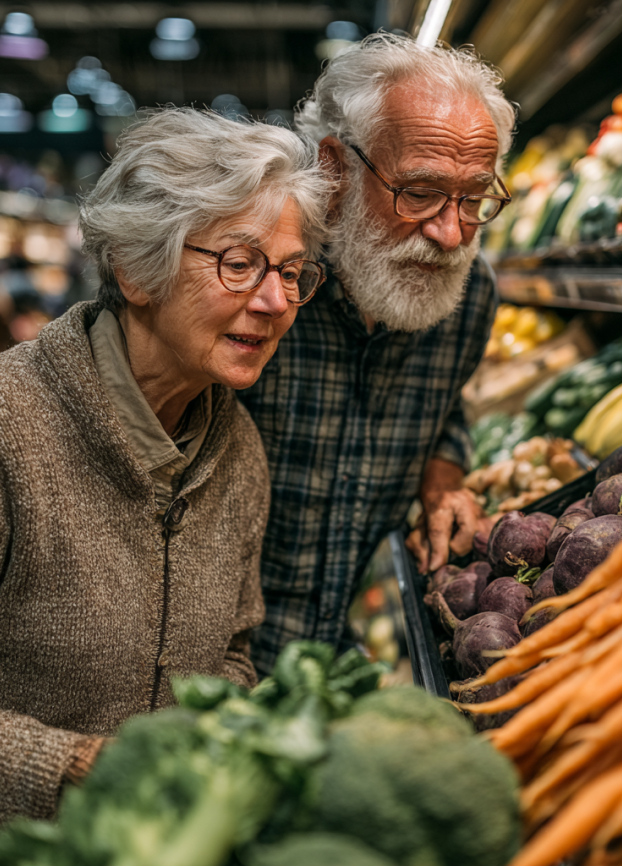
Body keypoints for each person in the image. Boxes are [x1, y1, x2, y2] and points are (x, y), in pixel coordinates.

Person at [0, 108, 329, 838]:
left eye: (293, 274)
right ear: (136, 270)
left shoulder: (237, 455)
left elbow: (232, 650)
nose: (275, 303)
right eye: (240, 263)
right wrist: (72, 768)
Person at [240, 34, 516, 675]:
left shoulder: (470, 297)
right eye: (418, 193)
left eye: (473, 199)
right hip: (228, 658)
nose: (450, 233)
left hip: (368, 655)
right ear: (335, 168)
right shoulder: (257, 281)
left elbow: (444, 404)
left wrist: (444, 469)